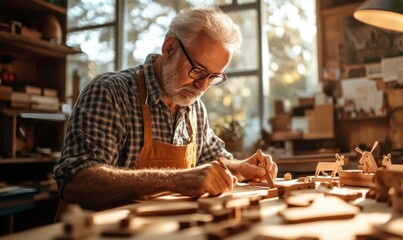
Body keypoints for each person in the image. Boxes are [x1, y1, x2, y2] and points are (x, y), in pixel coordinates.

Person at [53, 6, 277, 211]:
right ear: (169, 47)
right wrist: (177, 180)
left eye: (213, 77)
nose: (202, 86)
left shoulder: (194, 108)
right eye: (198, 70)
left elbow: (214, 158)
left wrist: (240, 168)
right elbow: (76, 182)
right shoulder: (110, 93)